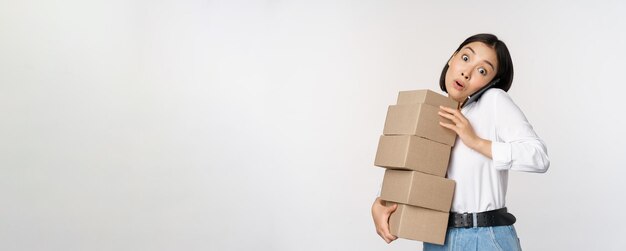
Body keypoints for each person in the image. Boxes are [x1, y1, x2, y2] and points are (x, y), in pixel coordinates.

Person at [371, 33, 550, 250]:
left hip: (484, 236)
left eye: (482, 70)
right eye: (465, 58)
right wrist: (381, 202)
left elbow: (539, 157)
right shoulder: (436, 111)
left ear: (491, 82)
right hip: (436, 236)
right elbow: (412, 170)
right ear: (452, 58)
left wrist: (475, 141)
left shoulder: (494, 102)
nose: (467, 72)